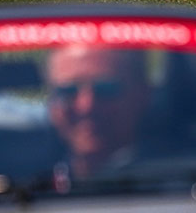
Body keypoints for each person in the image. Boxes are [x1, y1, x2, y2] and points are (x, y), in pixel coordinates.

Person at [44, 46, 152, 179]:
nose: (86, 106)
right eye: (68, 91)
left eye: (105, 89)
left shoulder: (174, 180)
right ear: (50, 102)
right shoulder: (29, 182)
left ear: (141, 93)